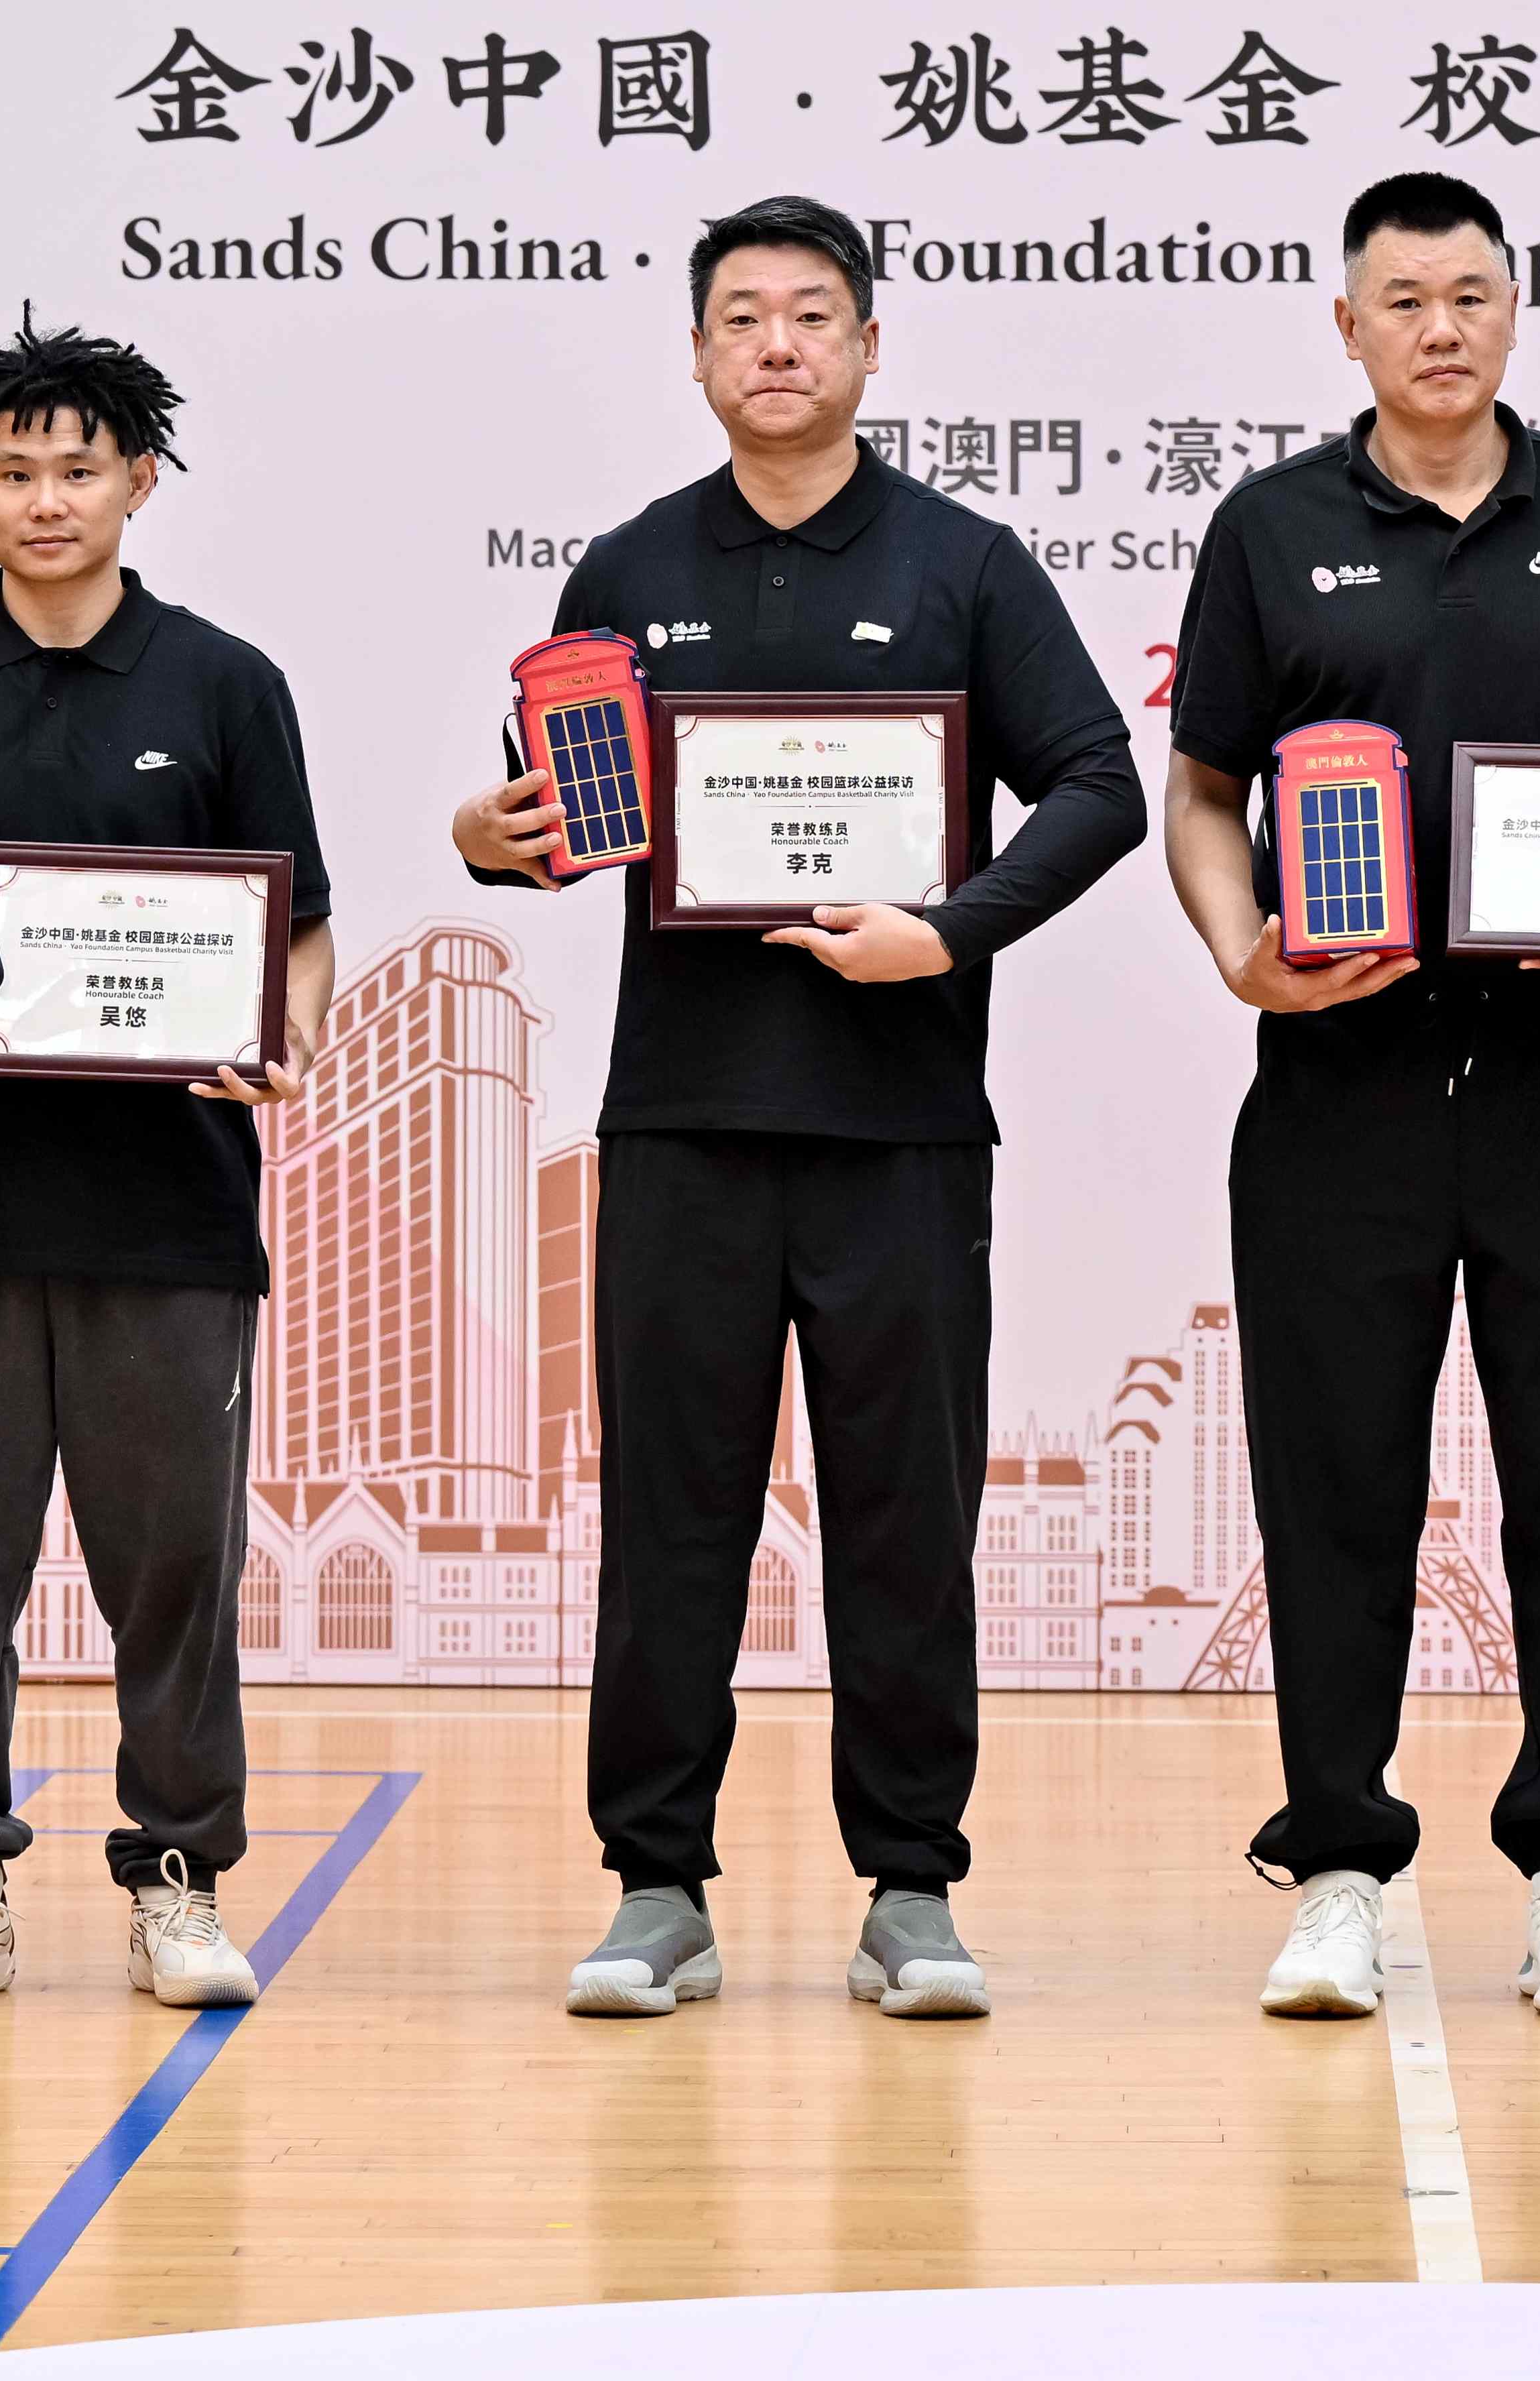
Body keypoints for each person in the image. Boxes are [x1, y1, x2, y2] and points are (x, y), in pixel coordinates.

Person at [453, 196, 1137, 2022]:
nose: (776, 343)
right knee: (669, 1515)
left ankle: (910, 1887)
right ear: (696, 355)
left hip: (898, 1127)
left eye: (812, 314)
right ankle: (654, 1887)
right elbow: (556, 813)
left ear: (868, 347)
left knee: (902, 1520)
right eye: (742, 315)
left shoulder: (963, 563)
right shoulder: (625, 568)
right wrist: (487, 839)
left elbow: (1097, 782)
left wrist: (950, 928)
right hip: (680, 1115)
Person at [1163, 171, 1540, 2026]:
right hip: (1338, 1077)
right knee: (1334, 1478)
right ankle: (1336, 1866)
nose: (1439, 326)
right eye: (1402, 298)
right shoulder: (1268, 529)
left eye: (1469, 294)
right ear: (1347, 326)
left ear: (1513, 311)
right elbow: (1203, 793)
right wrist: (1241, 946)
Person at [0, 316, 336, 2018]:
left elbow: (295, 929)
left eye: (78, 469)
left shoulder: (224, 682)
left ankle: (179, 1878)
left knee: (174, 1571)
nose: (46, 498)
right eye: (13, 469)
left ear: (139, 481)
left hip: (171, 1213)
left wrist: (286, 1035)